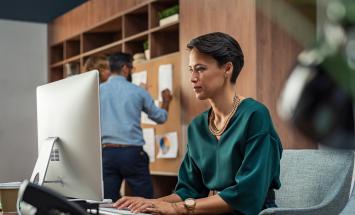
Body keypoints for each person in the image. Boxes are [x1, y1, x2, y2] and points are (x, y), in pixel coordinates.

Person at [113, 32, 283, 215]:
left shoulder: (255, 116)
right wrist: (150, 203)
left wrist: (177, 209)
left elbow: (247, 194)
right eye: (190, 69)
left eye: (200, 69)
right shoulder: (197, 126)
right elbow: (189, 190)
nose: (192, 77)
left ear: (227, 69)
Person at [100, 52, 173, 202]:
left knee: (107, 202)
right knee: (144, 202)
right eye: (132, 68)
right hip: (131, 154)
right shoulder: (137, 91)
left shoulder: (97, 90)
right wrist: (166, 101)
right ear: (125, 68)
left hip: (107, 154)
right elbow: (160, 117)